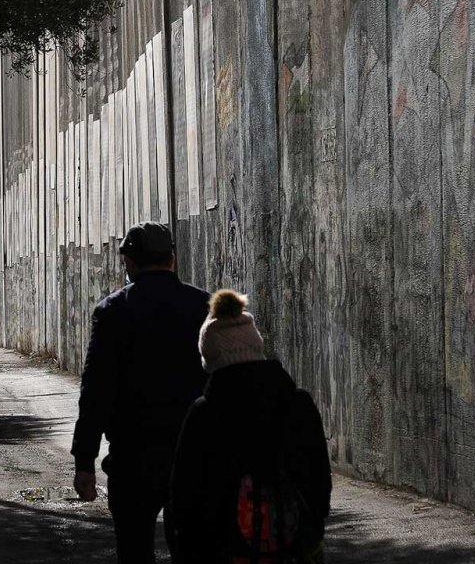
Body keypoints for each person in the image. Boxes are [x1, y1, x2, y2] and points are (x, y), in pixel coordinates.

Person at [71, 220, 210, 563]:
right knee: (195, 551)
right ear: (172, 259)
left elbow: (96, 390)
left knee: (134, 550)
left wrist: (84, 461)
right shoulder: (204, 307)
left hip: (134, 458)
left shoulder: (113, 312)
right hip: (193, 456)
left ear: (129, 263)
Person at [169, 289, 331, 563]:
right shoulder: (298, 404)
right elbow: (319, 478)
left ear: (211, 358)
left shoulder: (204, 414)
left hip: (225, 552)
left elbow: (184, 496)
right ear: (256, 347)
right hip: (294, 547)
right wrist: (311, 530)